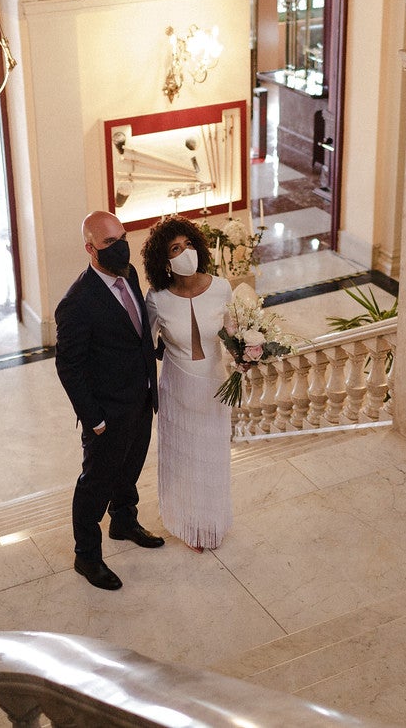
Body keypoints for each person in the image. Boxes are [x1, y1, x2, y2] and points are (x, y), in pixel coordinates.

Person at [54, 210, 164, 590]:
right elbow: (69, 368)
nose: (120, 247)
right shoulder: (77, 303)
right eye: (109, 243)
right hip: (106, 412)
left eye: (122, 237)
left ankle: (124, 521)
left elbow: (136, 332)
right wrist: (94, 419)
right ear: (90, 248)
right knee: (95, 484)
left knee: (131, 466)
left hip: (140, 397)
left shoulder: (129, 275)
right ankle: (86, 556)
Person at [141, 216, 234, 552]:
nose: (186, 253)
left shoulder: (222, 288)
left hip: (213, 386)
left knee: (211, 456)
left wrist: (247, 360)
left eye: (189, 244)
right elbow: (144, 345)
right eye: (176, 248)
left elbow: (236, 337)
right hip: (177, 389)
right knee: (184, 459)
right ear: (164, 262)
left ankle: (211, 522)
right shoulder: (157, 298)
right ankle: (189, 523)